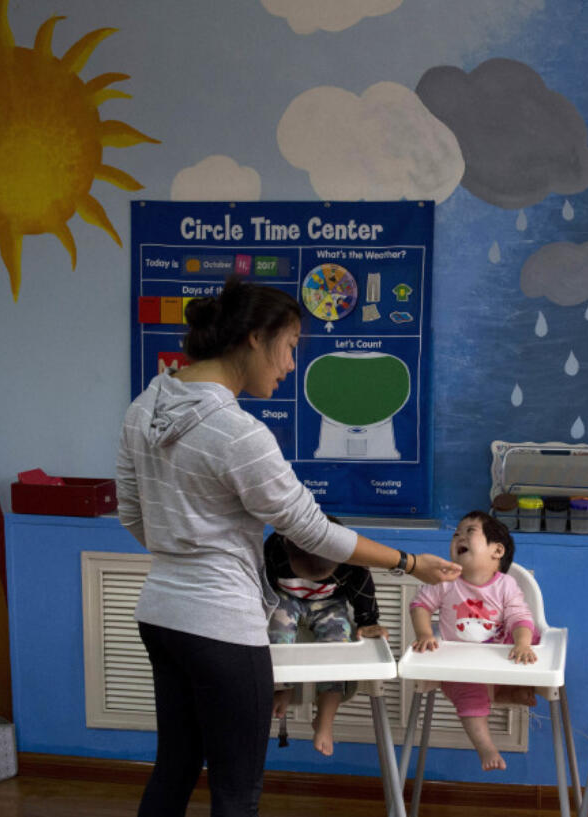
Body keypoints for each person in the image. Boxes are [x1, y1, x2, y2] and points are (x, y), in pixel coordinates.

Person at [116, 275, 460, 817]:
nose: (292, 364)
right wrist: (409, 563)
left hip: (160, 613)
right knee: (236, 792)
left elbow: (133, 513)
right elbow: (313, 531)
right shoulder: (238, 433)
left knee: (176, 767)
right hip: (221, 624)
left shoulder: (145, 407)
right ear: (256, 336)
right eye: (292, 346)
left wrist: (184, 551)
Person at [408, 510, 538, 771]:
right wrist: (424, 634)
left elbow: (518, 616)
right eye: (457, 532)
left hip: (500, 657)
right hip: (462, 665)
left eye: (470, 531)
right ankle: (486, 746)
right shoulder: (445, 581)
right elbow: (420, 605)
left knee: (532, 634)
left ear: (497, 551)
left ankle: (514, 686)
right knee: (469, 695)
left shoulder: (506, 585)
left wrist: (522, 643)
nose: (459, 536)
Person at [264, 520, 387, 756]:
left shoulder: (351, 559)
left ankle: (325, 718)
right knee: (277, 631)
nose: (315, 581)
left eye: (322, 576)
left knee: (336, 651)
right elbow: (264, 586)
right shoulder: (274, 548)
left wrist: (368, 621)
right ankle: (283, 689)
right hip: (285, 598)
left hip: (330, 604)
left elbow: (363, 589)